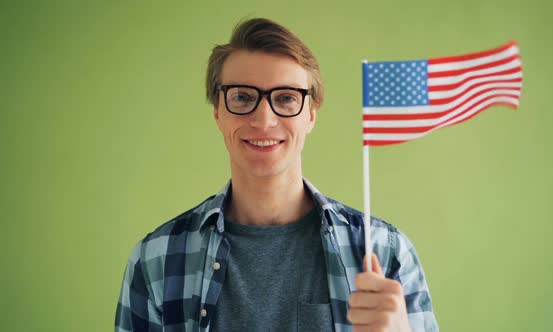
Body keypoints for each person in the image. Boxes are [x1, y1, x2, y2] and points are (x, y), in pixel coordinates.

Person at [115, 18, 438, 332]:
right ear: (218, 112)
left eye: (285, 98)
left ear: (310, 116)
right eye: (242, 97)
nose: (264, 119)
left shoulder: (384, 250)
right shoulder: (157, 257)